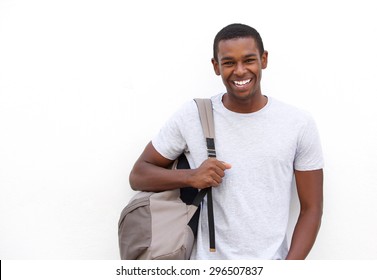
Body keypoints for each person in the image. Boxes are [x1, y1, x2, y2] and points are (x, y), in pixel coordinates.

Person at [129, 23, 324, 260]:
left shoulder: (298, 123)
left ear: (264, 60)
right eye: (229, 62)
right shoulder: (194, 115)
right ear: (216, 66)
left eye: (249, 60)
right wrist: (190, 177)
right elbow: (138, 174)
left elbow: (312, 209)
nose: (240, 71)